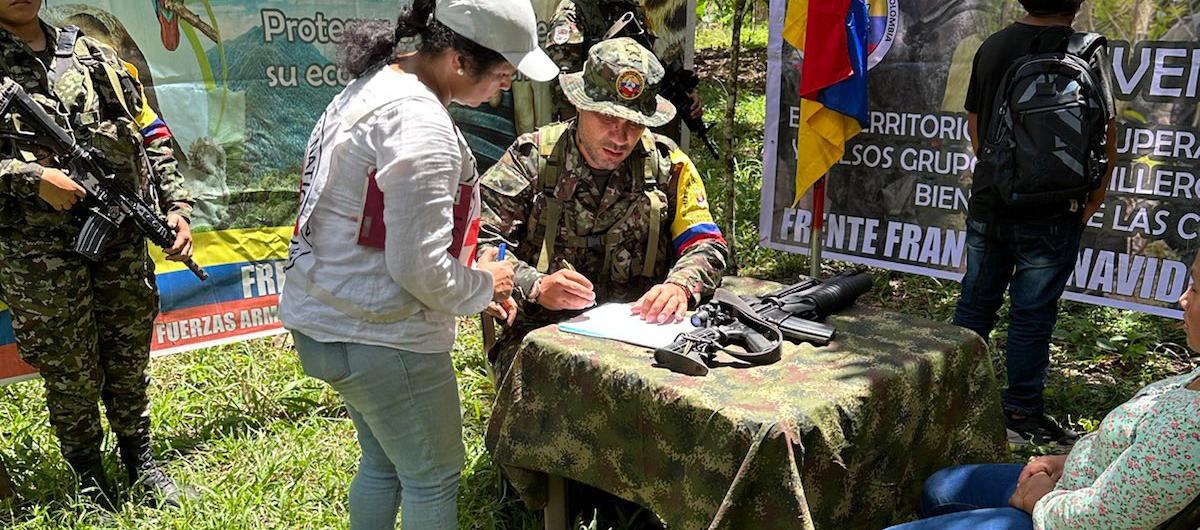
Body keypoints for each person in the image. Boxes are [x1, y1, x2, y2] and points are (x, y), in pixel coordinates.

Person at [277, 0, 556, 528]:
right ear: (457, 60)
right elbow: (419, 268)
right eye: (502, 75)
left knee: (384, 463)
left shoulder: (378, 86)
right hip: (380, 336)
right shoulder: (419, 122)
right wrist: (483, 285)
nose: (504, 88)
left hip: (331, 320)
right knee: (433, 476)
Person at [0, 0, 194, 508]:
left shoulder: (88, 50)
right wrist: (32, 178)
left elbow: (147, 128)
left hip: (119, 235)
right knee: (71, 369)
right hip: (39, 252)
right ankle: (88, 475)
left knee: (128, 355)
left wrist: (175, 205)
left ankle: (141, 458)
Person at [886, 249, 1200, 530]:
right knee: (940, 487)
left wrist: (1040, 502)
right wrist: (1068, 459)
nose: (1183, 299)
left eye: (1196, 289)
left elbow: (1104, 519)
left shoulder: (1190, 430)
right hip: (1074, 484)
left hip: (1066, 517)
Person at [479, 36, 728, 372]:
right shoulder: (531, 159)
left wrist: (680, 286)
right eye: (608, 118)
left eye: (634, 123)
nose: (620, 136)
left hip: (642, 340)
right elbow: (482, 244)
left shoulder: (668, 164)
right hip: (541, 338)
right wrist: (535, 286)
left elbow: (706, 243)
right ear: (581, 105)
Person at [953, 0, 1118, 445]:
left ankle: (947, 398)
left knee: (974, 303)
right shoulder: (1087, 49)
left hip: (993, 200)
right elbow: (1107, 128)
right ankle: (1021, 414)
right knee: (1033, 314)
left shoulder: (992, 47)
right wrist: (1094, 195)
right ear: (1077, 2)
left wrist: (999, 171)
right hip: (1054, 207)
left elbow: (976, 126)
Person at [543, 0, 703, 126]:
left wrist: (683, 95)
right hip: (589, 119)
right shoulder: (573, 12)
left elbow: (648, 62)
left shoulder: (632, 9)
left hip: (631, 118)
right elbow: (564, 85)